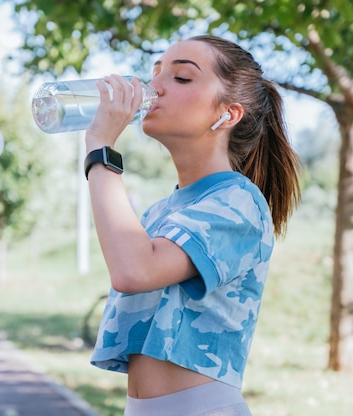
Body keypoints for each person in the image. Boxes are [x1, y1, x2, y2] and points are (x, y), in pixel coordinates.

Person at [84, 35, 301, 415]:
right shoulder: (159, 213)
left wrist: (100, 147)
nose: (154, 88)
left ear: (228, 114)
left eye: (181, 78)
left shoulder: (238, 201)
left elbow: (134, 270)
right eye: (155, 74)